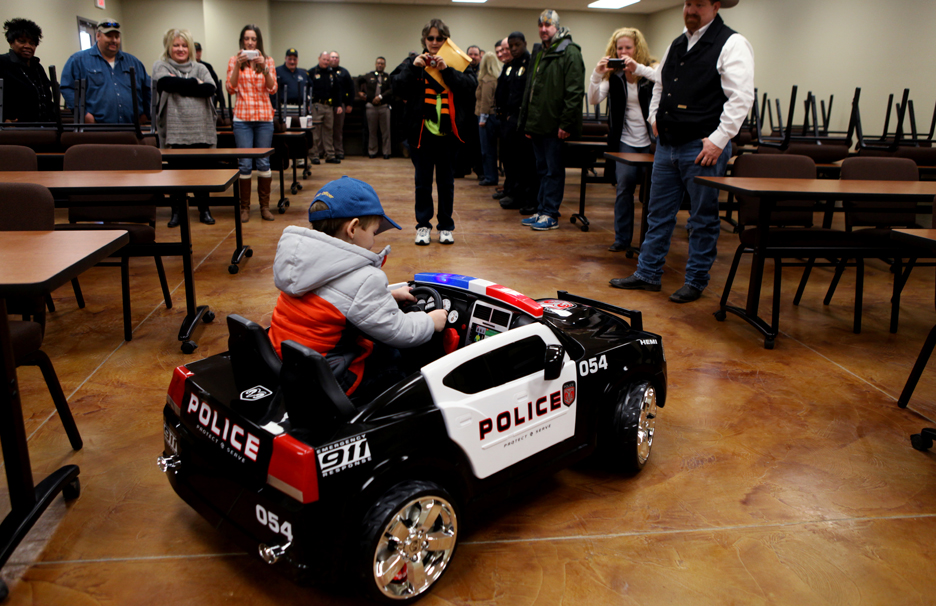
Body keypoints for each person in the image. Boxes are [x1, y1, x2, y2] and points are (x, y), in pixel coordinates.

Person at [610, 0, 754, 303]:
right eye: (688, 3)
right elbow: (660, 85)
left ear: (715, 6)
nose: (691, 9)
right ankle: (647, 273)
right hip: (667, 145)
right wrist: (654, 119)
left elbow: (741, 97)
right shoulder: (677, 44)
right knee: (657, 212)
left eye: (699, 4)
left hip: (702, 147)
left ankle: (696, 280)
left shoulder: (732, 42)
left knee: (701, 217)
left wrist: (718, 139)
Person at [268, 176, 447, 402]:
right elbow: (400, 331)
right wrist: (431, 321)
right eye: (374, 232)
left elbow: (334, 298)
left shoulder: (306, 265)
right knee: (393, 364)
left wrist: (389, 296)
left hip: (290, 366)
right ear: (352, 229)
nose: (374, 241)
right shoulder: (364, 278)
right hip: (332, 381)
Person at [391, 18, 477, 246]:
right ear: (424, 40)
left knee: (447, 183)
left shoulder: (457, 63)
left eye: (440, 38)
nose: (435, 42)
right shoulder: (413, 62)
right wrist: (413, 67)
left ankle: (446, 226)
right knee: (423, 183)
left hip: (449, 134)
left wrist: (446, 71)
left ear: (446, 40)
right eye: (431, 38)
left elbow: (470, 88)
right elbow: (396, 86)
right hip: (422, 134)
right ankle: (423, 226)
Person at [587, 27, 659, 253]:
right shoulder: (615, 76)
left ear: (637, 49)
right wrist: (597, 73)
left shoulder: (651, 70)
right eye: (620, 48)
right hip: (626, 141)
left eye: (628, 47)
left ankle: (650, 240)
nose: (624, 52)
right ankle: (622, 238)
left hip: (652, 142)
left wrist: (639, 69)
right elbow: (593, 99)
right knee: (624, 187)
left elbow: (661, 78)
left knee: (653, 193)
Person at [518, 10, 584, 231]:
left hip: (555, 125)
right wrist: (528, 122)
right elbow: (532, 89)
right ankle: (542, 210)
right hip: (539, 124)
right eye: (540, 25)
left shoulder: (570, 52)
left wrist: (566, 123)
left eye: (548, 25)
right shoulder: (542, 52)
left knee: (553, 170)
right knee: (542, 169)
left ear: (557, 27)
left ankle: (551, 214)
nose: (543, 29)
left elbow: (574, 91)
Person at [153, 28, 218, 227]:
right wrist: (193, 83)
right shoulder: (161, 65)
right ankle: (177, 212)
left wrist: (182, 84)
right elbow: (165, 83)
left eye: (183, 45)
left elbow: (210, 88)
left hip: (201, 131)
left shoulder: (201, 67)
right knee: (176, 176)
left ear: (189, 47)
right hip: (174, 132)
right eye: (176, 45)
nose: (180, 49)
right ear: (169, 47)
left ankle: (204, 210)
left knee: (202, 174)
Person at [226, 24, 278, 222]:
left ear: (258, 42)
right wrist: (238, 66)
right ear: (242, 41)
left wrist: (264, 68)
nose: (250, 42)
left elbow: (273, 89)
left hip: (264, 118)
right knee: (245, 163)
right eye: (247, 39)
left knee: (263, 162)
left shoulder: (269, 61)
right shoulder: (234, 61)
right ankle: (245, 208)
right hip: (243, 119)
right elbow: (230, 88)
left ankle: (264, 207)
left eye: (253, 39)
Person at [61, 19, 151, 124]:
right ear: (98, 36)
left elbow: (147, 89)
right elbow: (67, 88)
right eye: (109, 36)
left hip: (132, 127)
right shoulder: (78, 60)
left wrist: (146, 114)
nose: (114, 40)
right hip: (98, 130)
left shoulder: (133, 62)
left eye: (117, 37)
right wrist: (84, 115)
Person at [497, 32, 538, 212]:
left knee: (525, 162)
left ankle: (528, 198)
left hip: (522, 120)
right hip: (508, 119)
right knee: (510, 159)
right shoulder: (509, 66)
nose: (513, 49)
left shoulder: (530, 64)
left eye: (517, 45)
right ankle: (513, 193)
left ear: (524, 44)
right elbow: (503, 90)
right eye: (511, 46)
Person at [0, 18, 55, 123]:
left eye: (32, 43)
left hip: (45, 128)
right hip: (15, 131)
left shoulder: (38, 67)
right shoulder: (2, 63)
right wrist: (3, 119)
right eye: (22, 41)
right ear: (11, 42)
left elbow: (47, 99)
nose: (28, 46)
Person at [307, 51, 341, 164]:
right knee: (315, 132)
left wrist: (338, 105)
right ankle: (314, 155)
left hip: (329, 107)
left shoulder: (332, 74)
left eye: (328, 60)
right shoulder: (312, 72)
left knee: (329, 131)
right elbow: (307, 90)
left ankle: (330, 155)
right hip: (316, 105)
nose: (326, 62)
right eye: (324, 59)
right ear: (319, 59)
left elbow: (337, 91)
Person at [475, 51, 501, 186]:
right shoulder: (497, 78)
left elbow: (485, 101)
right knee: (492, 149)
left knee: (487, 150)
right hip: (495, 116)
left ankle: (490, 177)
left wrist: (482, 119)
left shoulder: (486, 80)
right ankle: (492, 176)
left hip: (486, 117)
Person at [360, 56, 393, 159]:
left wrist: (380, 97)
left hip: (384, 106)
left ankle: (386, 152)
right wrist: (359, 92)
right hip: (371, 107)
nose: (380, 65)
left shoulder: (388, 77)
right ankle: (372, 151)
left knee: (386, 131)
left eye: (382, 63)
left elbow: (392, 90)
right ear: (375, 64)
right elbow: (357, 83)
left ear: (385, 65)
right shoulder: (368, 76)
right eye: (378, 63)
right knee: (372, 130)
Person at [330, 51, 353, 160]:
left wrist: (350, 104)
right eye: (332, 57)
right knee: (326, 130)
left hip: (341, 104)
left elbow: (351, 89)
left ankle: (339, 151)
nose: (334, 59)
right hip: (328, 105)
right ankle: (326, 152)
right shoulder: (325, 72)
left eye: (336, 57)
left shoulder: (344, 72)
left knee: (338, 129)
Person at [195, 42, 225, 110]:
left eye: (199, 51)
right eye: (195, 51)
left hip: (208, 100)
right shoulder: (187, 67)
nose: (197, 53)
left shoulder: (207, 66)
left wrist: (222, 104)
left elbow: (216, 85)